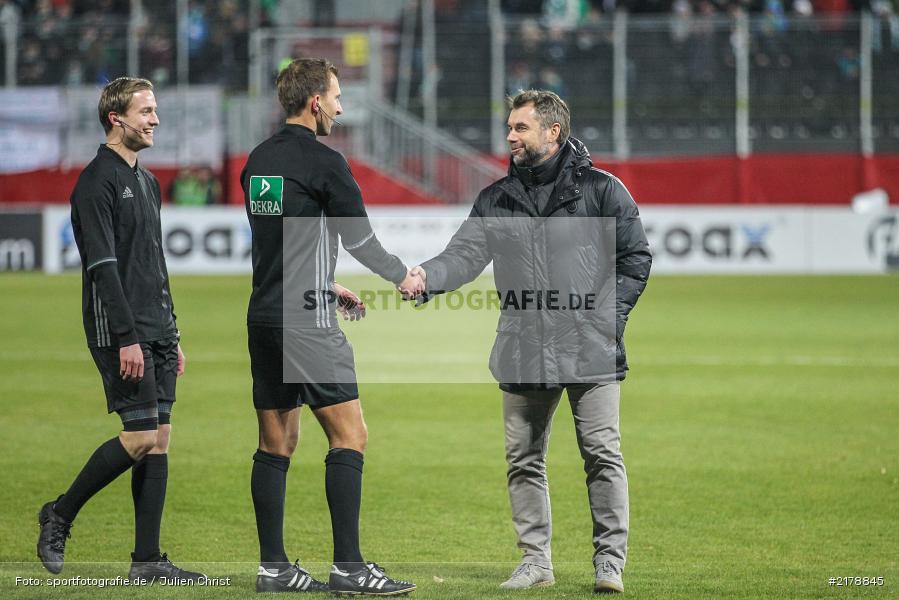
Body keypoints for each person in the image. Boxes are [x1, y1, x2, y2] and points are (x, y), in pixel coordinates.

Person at [409, 90, 651, 594]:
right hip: (523, 345)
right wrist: (426, 276)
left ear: (552, 132)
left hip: (590, 345)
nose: (511, 137)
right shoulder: (496, 198)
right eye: (510, 128)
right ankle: (536, 561)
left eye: (520, 127)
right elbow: (464, 255)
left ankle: (610, 563)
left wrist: (603, 321)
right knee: (524, 460)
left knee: (602, 455)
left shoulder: (604, 191)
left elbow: (634, 259)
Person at [241, 58, 420, 595]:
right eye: (338, 97)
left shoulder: (257, 163)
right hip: (308, 323)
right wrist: (403, 277)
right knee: (351, 435)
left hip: (266, 315)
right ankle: (349, 567)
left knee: (276, 443)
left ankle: (272, 568)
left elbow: (280, 240)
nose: (342, 107)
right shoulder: (326, 163)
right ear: (315, 100)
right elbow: (360, 240)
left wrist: (326, 281)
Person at [36, 76, 204, 584]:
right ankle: (59, 514)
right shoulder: (96, 181)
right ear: (117, 118)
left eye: (155, 110)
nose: (155, 119)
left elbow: (152, 263)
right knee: (140, 436)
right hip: (120, 330)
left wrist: (171, 334)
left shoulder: (147, 181)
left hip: (156, 329)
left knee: (160, 438)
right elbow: (103, 268)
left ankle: (147, 559)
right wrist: (129, 337)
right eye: (146, 111)